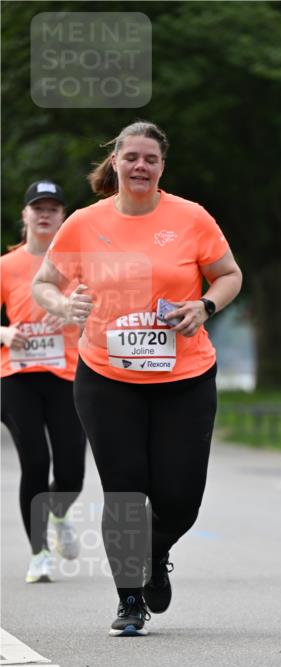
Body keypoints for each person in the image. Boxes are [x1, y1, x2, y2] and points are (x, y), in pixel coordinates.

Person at [33, 121, 242, 636]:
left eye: (150, 158)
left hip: (185, 376)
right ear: (117, 163)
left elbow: (229, 274)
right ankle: (129, 599)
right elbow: (45, 284)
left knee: (180, 498)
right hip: (107, 378)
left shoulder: (190, 218)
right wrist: (65, 304)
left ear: (162, 166)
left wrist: (204, 304)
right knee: (125, 491)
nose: (140, 166)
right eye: (131, 158)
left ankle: (155, 552)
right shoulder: (84, 223)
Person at [0, 181, 85, 583]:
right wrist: (4, 334)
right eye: (38, 207)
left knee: (70, 472)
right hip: (17, 376)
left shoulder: (77, 263)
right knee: (35, 462)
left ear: (63, 216)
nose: (45, 214)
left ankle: (60, 511)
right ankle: (39, 554)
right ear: (25, 215)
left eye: (53, 207)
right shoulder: (7, 265)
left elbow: (102, 307)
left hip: (68, 374)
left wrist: (69, 311)